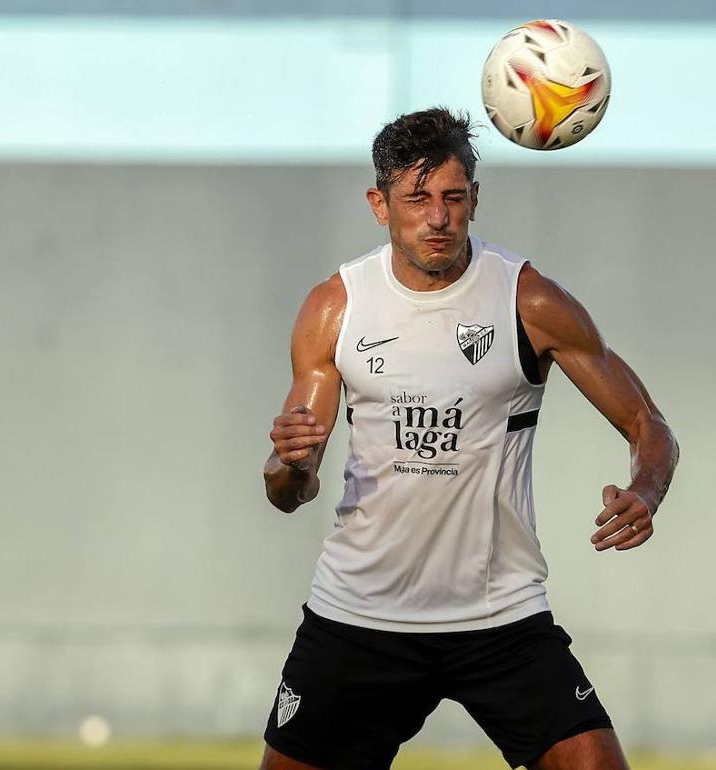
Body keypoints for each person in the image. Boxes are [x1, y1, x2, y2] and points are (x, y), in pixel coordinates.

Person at [259, 107, 678, 770]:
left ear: (474, 199)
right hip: (362, 616)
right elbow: (289, 490)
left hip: (499, 617)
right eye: (417, 198)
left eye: (453, 197)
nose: (437, 217)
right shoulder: (336, 307)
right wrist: (288, 466)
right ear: (380, 204)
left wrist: (646, 491)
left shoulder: (528, 300)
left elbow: (648, 425)